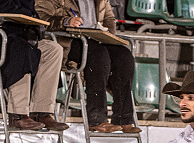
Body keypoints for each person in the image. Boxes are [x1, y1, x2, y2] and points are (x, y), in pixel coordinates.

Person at [0, 0, 69, 131]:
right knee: (19, 49)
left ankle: (41, 112)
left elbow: (29, 9)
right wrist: (28, 15)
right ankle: (18, 115)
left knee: (53, 50)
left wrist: (32, 20)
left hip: (8, 35)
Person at [35, 0, 141, 133]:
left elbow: (109, 18)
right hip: (68, 41)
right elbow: (40, 16)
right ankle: (96, 119)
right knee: (98, 55)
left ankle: (123, 118)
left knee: (124, 57)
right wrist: (65, 21)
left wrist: (107, 35)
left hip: (96, 41)